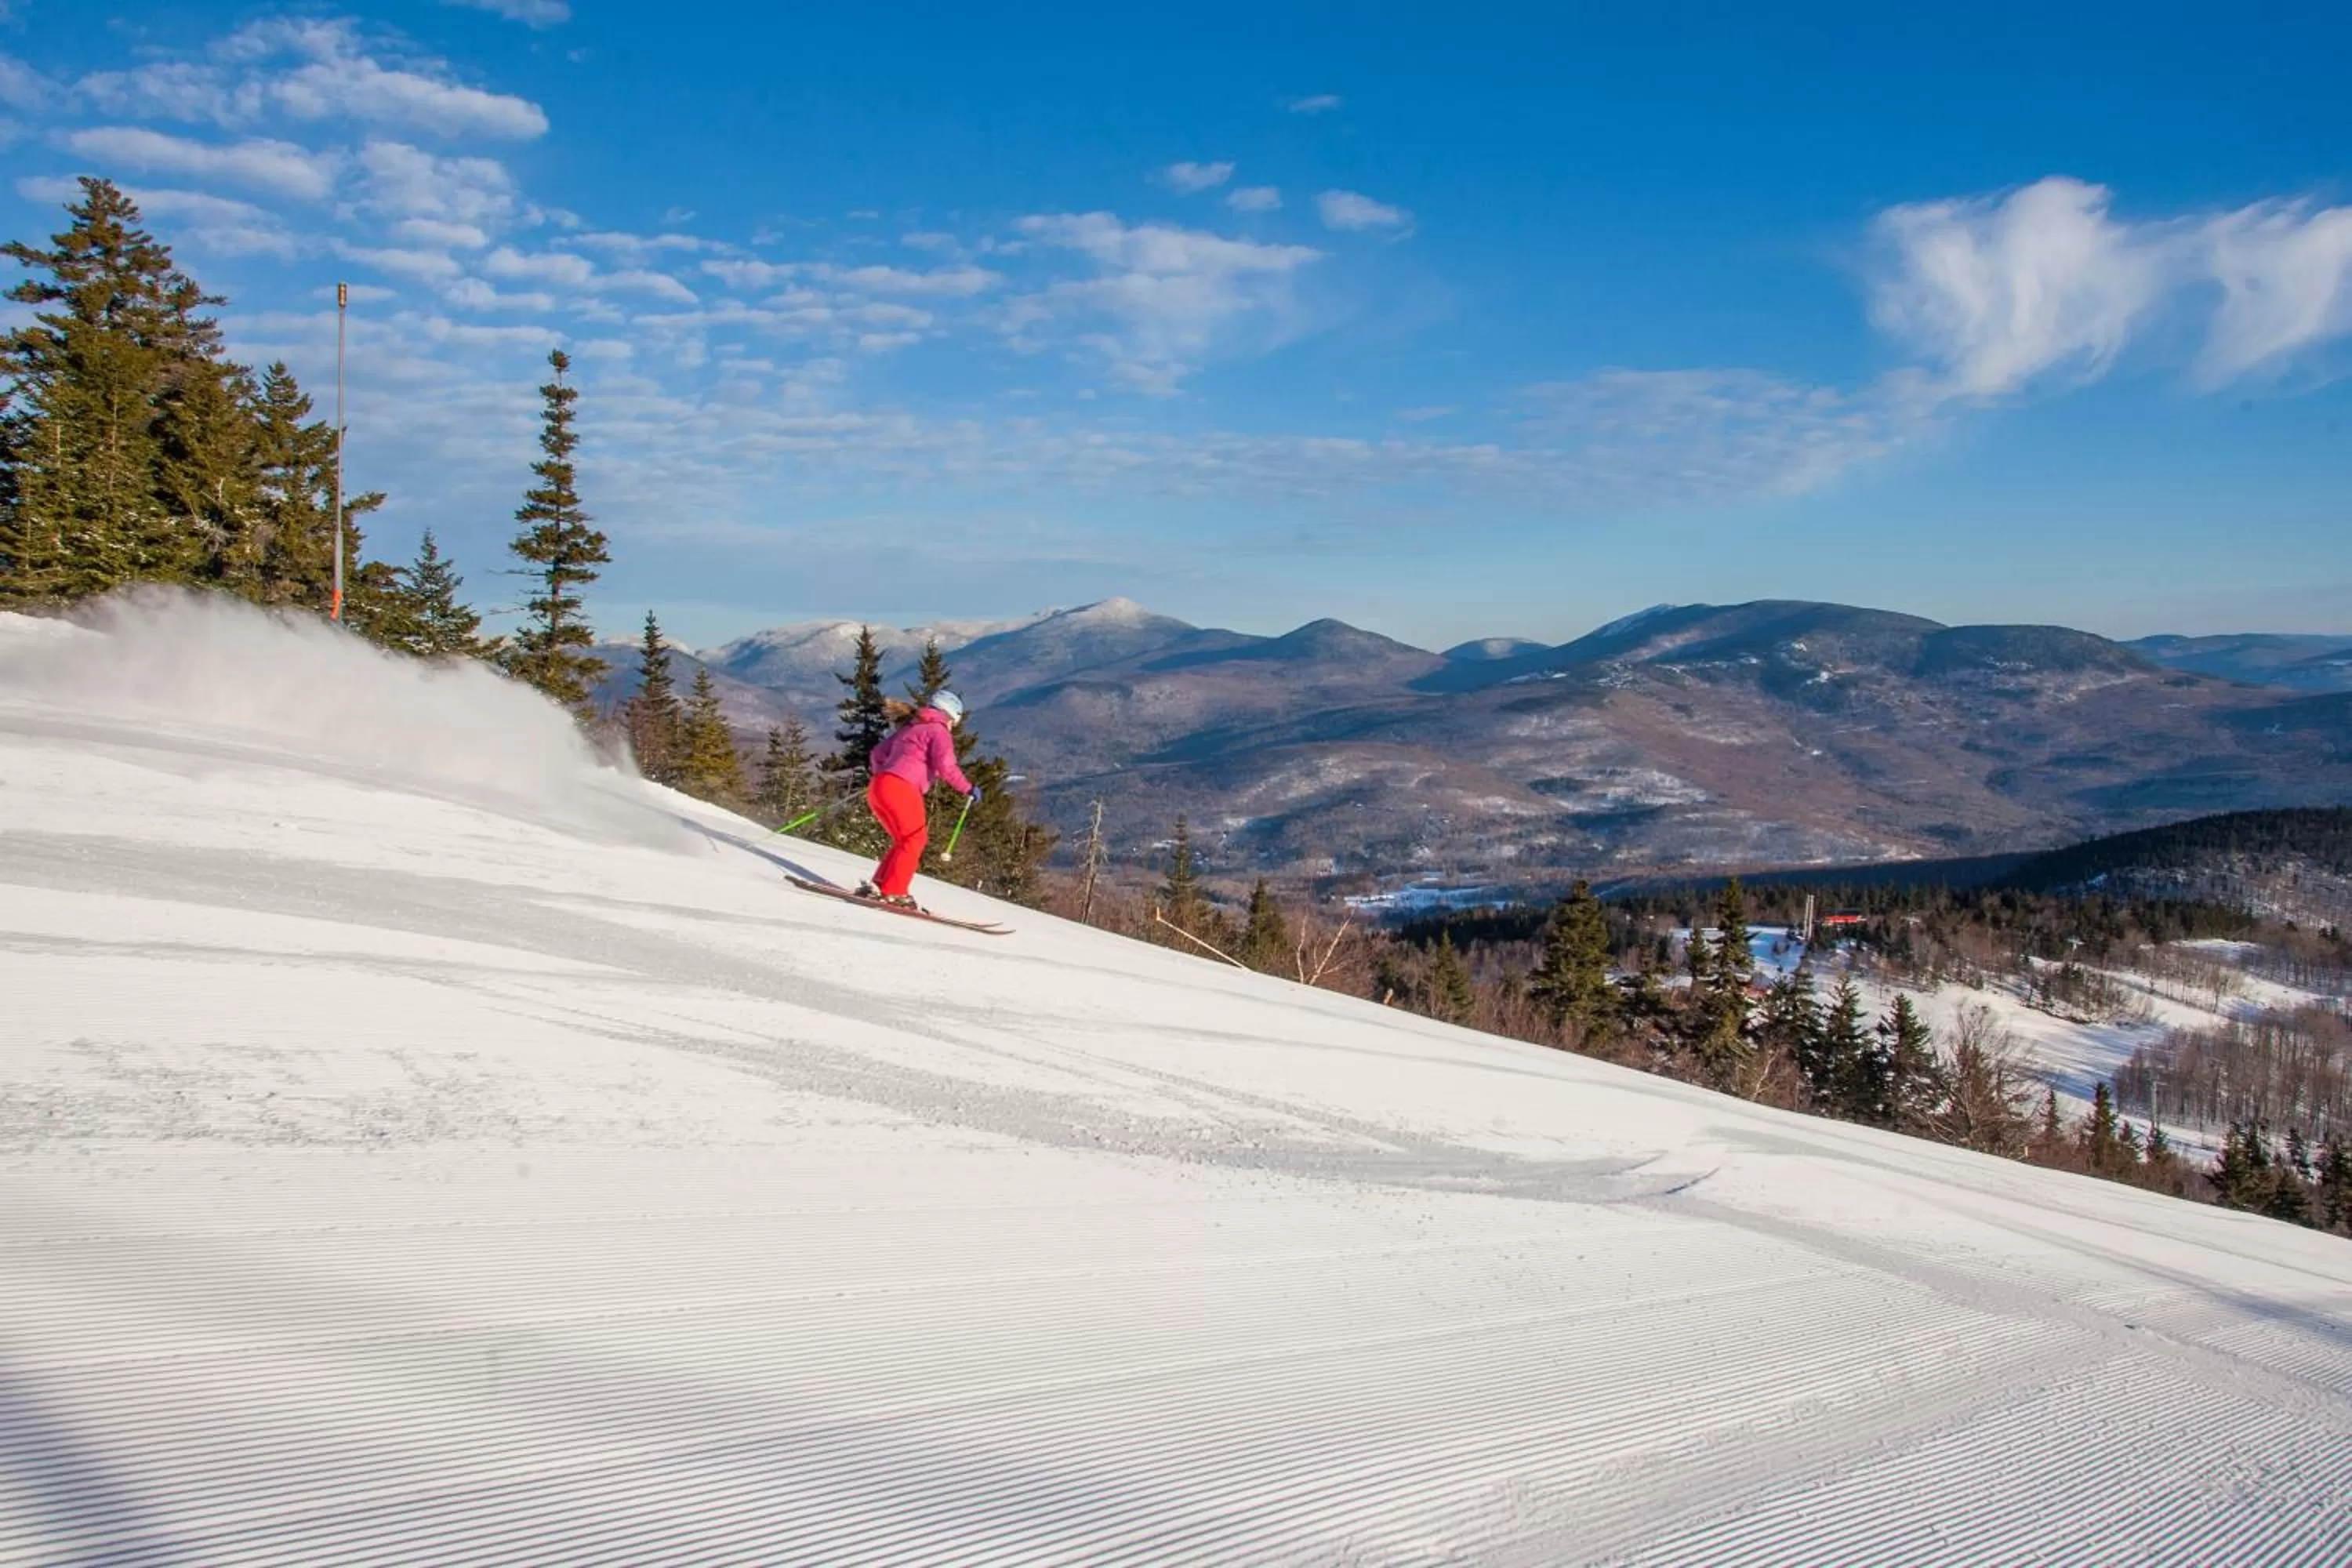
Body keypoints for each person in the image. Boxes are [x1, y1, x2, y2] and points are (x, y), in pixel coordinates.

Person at [857, 689, 980, 908]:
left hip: (879, 786)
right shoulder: (938, 731)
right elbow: (946, 766)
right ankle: (894, 891)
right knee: (915, 839)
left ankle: (881, 884)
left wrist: (883, 774)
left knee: (905, 840)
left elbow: (877, 753)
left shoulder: (911, 726)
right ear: (950, 716)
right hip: (903, 788)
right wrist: (968, 788)